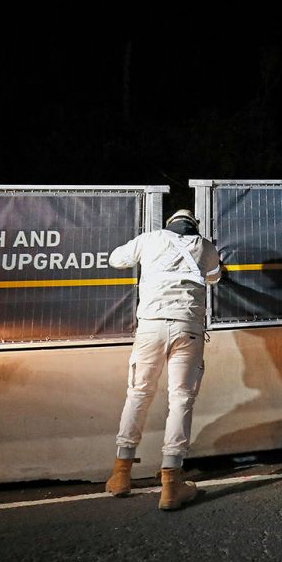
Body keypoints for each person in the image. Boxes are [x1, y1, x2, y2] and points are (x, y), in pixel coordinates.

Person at [104, 208, 222, 510]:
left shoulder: (150, 239)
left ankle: (121, 474)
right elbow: (215, 277)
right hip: (188, 328)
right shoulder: (205, 246)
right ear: (193, 227)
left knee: (138, 394)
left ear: (169, 225)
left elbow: (116, 259)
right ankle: (171, 482)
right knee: (181, 399)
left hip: (151, 328)